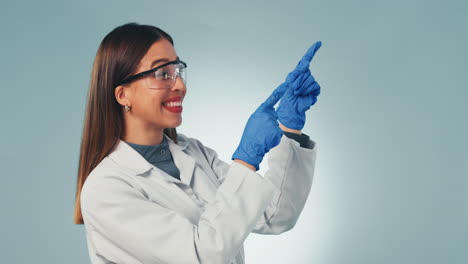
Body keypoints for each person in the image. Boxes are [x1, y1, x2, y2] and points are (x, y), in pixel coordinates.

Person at [73, 22, 322, 264]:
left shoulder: (193, 152)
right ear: (123, 94)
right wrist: (246, 162)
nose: (180, 85)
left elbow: (275, 216)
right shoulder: (106, 189)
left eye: (178, 71)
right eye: (163, 74)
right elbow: (202, 256)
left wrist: (290, 129)